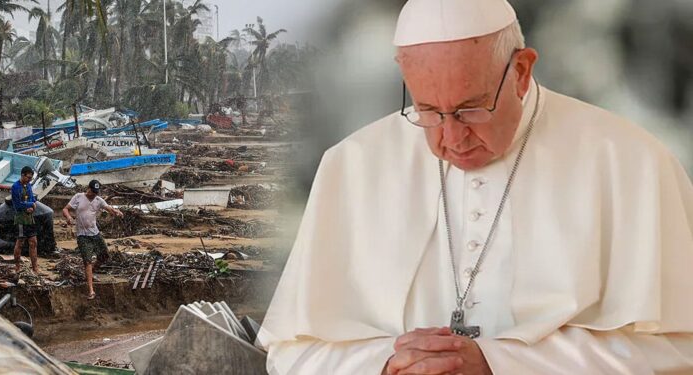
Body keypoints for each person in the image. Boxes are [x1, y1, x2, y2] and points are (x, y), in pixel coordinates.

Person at [259, 0, 693, 374]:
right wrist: (388, 363)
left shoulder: (630, 161)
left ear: (522, 71)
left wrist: (499, 364)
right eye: (427, 110)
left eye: (471, 109)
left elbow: (678, 350)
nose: (450, 138)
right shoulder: (351, 165)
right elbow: (291, 353)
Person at [62, 180, 124, 300]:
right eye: (92, 191)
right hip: (82, 235)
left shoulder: (98, 200)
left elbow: (109, 209)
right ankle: (91, 290)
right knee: (87, 261)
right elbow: (65, 209)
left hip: (95, 233)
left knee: (104, 256)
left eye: (96, 192)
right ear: (88, 189)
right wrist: (69, 217)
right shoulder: (78, 197)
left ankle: (91, 272)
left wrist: (117, 212)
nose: (94, 194)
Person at [11, 166, 38, 274]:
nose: (29, 180)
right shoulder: (15, 187)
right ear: (22, 175)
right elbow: (17, 205)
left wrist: (32, 205)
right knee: (20, 242)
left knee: (33, 242)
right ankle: (17, 266)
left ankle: (35, 267)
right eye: (28, 177)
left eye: (31, 178)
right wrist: (31, 204)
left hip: (29, 217)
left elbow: (32, 198)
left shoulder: (28, 186)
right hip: (21, 218)